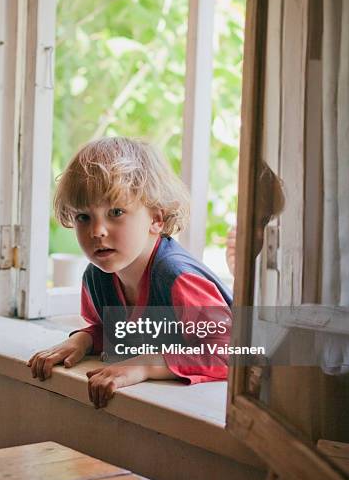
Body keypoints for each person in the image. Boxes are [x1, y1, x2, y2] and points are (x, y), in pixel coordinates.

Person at [27, 137, 233, 408]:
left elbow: (235, 351)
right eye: (83, 217)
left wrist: (147, 365)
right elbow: (117, 331)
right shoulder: (97, 277)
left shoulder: (178, 278)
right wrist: (85, 339)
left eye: (115, 212)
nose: (97, 231)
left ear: (156, 219)